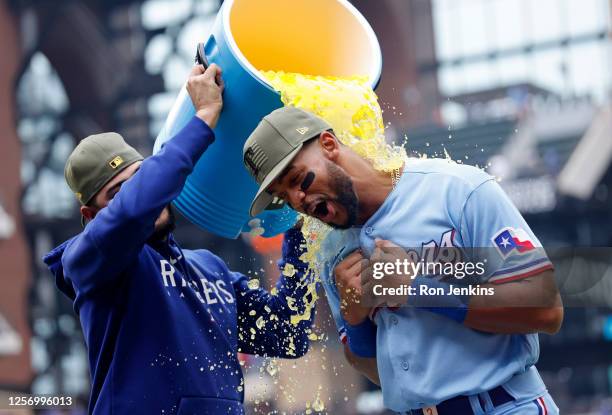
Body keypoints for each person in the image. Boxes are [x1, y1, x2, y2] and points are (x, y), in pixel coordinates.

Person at [242, 106, 563, 414]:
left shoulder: (457, 190)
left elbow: (546, 308)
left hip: (503, 405)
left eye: (299, 179)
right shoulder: (330, 251)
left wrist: (419, 287)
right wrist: (355, 323)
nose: (298, 200)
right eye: (286, 197)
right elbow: (374, 368)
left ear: (328, 144)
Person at [43, 65, 314, 415]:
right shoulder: (88, 260)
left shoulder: (209, 268)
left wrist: (296, 219)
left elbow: (287, 332)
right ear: (92, 217)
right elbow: (130, 212)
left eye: (139, 178)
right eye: (116, 192)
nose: (143, 197)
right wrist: (202, 117)